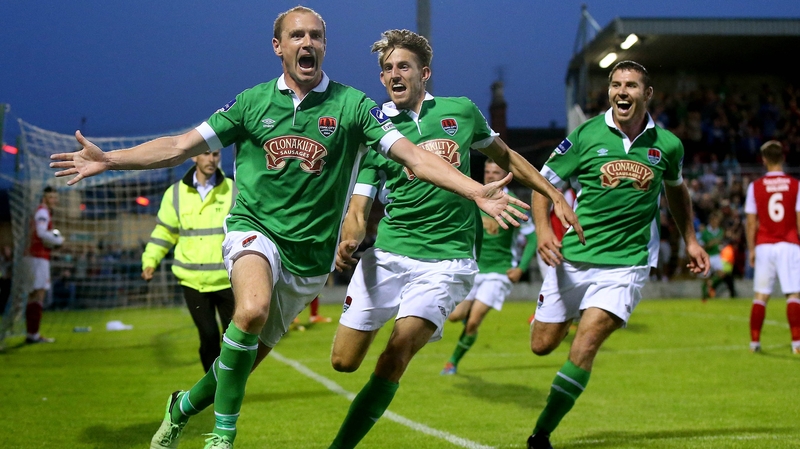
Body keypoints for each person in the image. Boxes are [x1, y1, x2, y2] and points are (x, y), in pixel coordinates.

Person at [51, 8, 527, 449]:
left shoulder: (353, 107)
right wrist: (110, 160)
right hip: (254, 230)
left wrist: (473, 188)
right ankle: (222, 435)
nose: (307, 42)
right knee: (252, 308)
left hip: (308, 260)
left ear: (324, 46)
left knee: (239, 364)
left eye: (316, 35)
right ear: (277, 46)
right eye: (296, 35)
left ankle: (183, 406)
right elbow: (178, 145)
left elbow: (416, 157)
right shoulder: (251, 103)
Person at [326, 29, 581, 449]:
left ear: (425, 73)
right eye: (386, 69)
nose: (394, 74)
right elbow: (359, 204)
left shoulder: (461, 111)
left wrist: (552, 194)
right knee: (343, 361)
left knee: (396, 353)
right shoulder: (376, 129)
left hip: (447, 262)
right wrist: (349, 236)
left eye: (403, 66)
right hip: (388, 255)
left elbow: (508, 157)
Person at [527, 60, 709, 449]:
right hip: (573, 259)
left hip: (626, 265)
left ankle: (540, 434)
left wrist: (690, 240)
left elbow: (676, 191)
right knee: (541, 345)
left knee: (587, 342)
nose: (622, 91)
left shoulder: (668, 145)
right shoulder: (585, 135)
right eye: (615, 84)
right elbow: (541, 185)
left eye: (630, 85)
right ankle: (569, 311)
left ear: (648, 94)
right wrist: (543, 231)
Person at [141, 149, 236, 372]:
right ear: (194, 156)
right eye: (205, 154)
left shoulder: (233, 190)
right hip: (193, 281)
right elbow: (165, 233)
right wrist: (150, 260)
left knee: (234, 341)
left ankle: (229, 386)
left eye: (215, 154)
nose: (211, 159)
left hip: (228, 279)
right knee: (209, 337)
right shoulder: (175, 194)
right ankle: (214, 388)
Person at [441, 160, 537, 375]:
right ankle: (466, 316)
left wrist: (521, 268)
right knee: (455, 316)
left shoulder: (512, 204)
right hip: (474, 269)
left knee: (474, 321)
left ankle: (452, 362)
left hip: (499, 272)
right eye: (487, 171)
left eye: (496, 172)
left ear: (506, 176)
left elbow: (532, 239)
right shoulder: (474, 198)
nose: (491, 175)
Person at [744, 140, 800, 355]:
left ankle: (755, 343)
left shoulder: (755, 186)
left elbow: (751, 222)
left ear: (764, 160)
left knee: (761, 296)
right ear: (783, 158)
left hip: (765, 245)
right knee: (793, 295)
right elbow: (798, 217)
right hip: (789, 243)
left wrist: (751, 249)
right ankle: (796, 343)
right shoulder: (795, 185)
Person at [22, 186, 64, 343]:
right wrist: (58, 241)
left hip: (33, 256)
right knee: (38, 294)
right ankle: (33, 334)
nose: (55, 200)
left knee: (34, 294)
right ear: (44, 198)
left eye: (55, 197)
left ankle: (31, 333)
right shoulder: (42, 212)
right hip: (37, 257)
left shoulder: (40, 212)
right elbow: (40, 233)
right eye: (51, 197)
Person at [699, 210, 726, 301]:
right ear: (711, 221)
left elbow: (722, 242)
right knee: (705, 277)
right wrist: (708, 245)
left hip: (717, 255)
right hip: (708, 256)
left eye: (717, 220)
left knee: (721, 274)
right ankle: (704, 297)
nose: (716, 222)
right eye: (714, 220)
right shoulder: (705, 232)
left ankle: (711, 284)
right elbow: (701, 246)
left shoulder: (721, 231)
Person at [0, 245, 12, 315]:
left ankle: (4, 310)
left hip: (7, 280)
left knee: (6, 296)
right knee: (2, 296)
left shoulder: (11, 260)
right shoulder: (2, 259)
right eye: (6, 250)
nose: (7, 252)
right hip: (2, 279)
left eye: (8, 250)